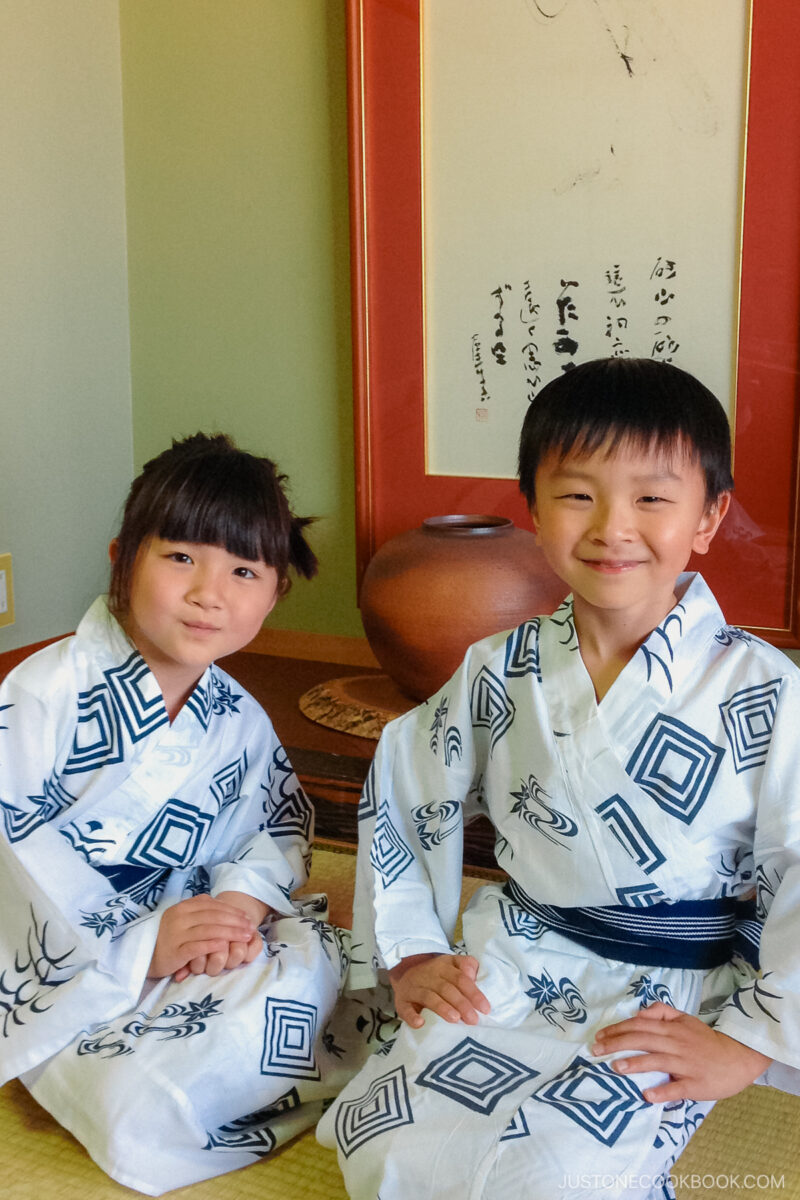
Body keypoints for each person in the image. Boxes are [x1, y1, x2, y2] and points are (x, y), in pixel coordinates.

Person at [318, 358, 800, 1200]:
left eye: (652, 498)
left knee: (559, 1175)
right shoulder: (500, 667)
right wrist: (416, 952)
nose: (613, 526)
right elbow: (406, 783)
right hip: (517, 954)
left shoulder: (759, 688)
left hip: (668, 992)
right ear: (534, 512)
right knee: (382, 1143)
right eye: (578, 494)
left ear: (709, 517)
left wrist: (753, 1039)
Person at [0, 433, 390, 1195]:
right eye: (180, 558)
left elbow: (274, 828)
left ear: (274, 594)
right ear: (122, 558)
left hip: (199, 933)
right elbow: (13, 852)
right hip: (75, 959)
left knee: (320, 972)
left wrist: (235, 911)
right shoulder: (41, 697)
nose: (209, 592)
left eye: (243, 571)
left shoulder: (233, 713)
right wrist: (144, 945)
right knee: (138, 1110)